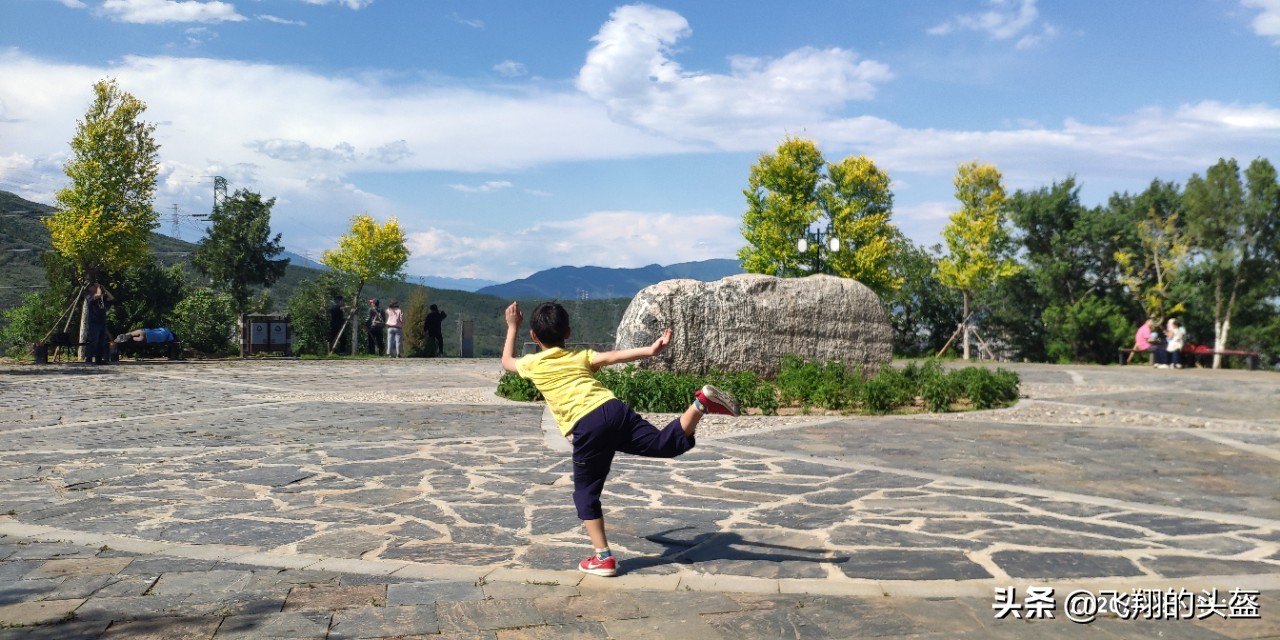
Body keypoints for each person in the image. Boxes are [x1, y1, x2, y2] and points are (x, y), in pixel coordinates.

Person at [501, 300, 739, 577]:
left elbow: (507, 362)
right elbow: (613, 356)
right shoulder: (580, 357)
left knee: (585, 493)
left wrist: (512, 326)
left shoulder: (532, 363)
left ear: (533, 336)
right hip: (612, 409)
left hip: (587, 425)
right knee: (664, 444)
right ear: (568, 333)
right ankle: (700, 403)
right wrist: (650, 350)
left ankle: (603, 557)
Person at [83, 283, 114, 364]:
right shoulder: (89, 297)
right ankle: (89, 358)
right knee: (93, 341)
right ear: (90, 288)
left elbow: (111, 297)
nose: (95, 287)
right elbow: (98, 294)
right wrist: (98, 287)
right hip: (94, 322)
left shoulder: (101, 298)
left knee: (101, 341)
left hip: (102, 321)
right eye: (93, 286)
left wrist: (105, 289)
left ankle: (99, 359)